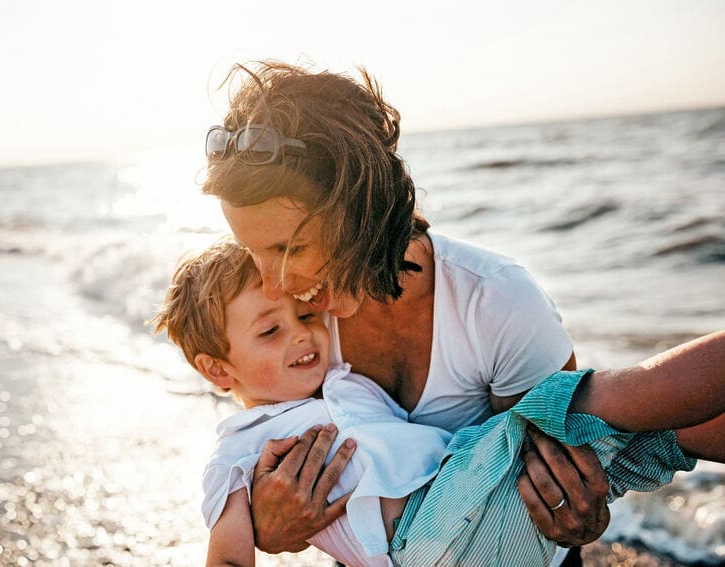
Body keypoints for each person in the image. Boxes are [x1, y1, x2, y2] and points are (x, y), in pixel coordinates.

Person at [201, 60, 610, 564]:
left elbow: (561, 482)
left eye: (291, 248)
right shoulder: (294, 324)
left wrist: (580, 513)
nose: (272, 283)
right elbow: (269, 452)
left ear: (361, 206)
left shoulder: (496, 301)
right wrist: (268, 525)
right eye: (252, 252)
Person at [151, 238, 724, 567]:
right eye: (270, 332)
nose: (303, 334)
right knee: (592, 405)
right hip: (425, 537)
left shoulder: (343, 382)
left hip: (489, 522)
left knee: (653, 436)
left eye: (304, 316)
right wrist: (265, 529)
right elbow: (227, 555)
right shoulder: (239, 449)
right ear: (216, 369)